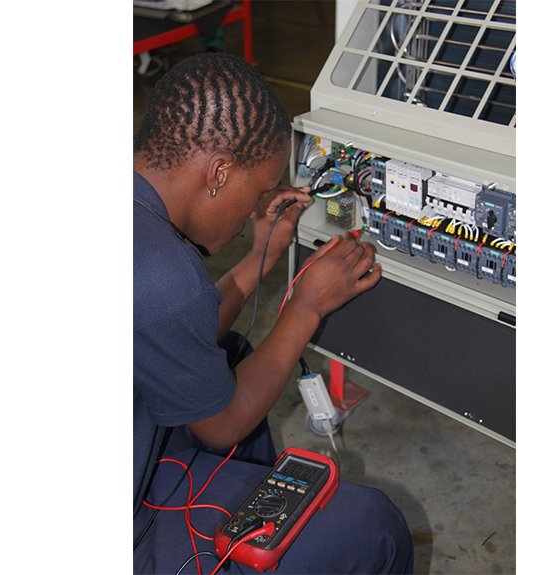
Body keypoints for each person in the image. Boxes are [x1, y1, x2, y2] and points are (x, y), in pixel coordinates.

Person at [133, 53, 414, 574]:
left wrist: (257, 259)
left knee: (230, 352)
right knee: (373, 525)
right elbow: (223, 424)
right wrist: (306, 306)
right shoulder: (165, 275)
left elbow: (164, 334)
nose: (252, 211)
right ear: (218, 171)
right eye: (258, 191)